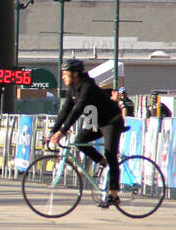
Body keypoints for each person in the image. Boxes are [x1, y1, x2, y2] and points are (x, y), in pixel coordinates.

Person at [48, 58, 124, 207]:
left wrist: (62, 132)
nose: (63, 77)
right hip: (96, 121)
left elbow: (77, 110)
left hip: (111, 121)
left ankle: (113, 194)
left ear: (75, 74)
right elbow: (65, 110)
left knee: (110, 153)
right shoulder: (73, 88)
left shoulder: (87, 87)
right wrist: (53, 131)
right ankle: (102, 163)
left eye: (65, 74)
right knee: (79, 141)